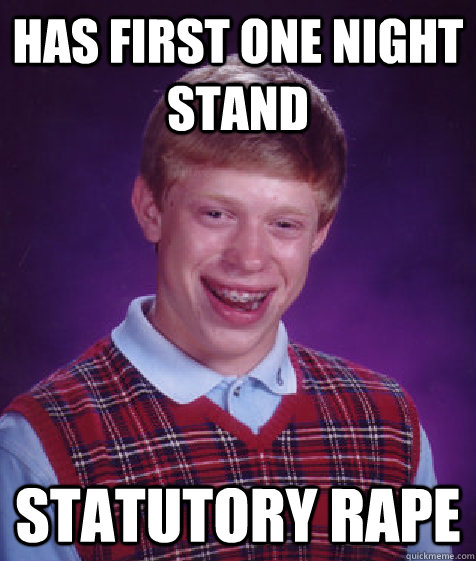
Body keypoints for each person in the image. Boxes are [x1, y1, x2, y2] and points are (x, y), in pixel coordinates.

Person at [0, 56, 447, 560]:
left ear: (319, 234)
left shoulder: (388, 426)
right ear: (151, 210)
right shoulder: (41, 450)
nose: (249, 258)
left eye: (284, 224)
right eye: (216, 214)